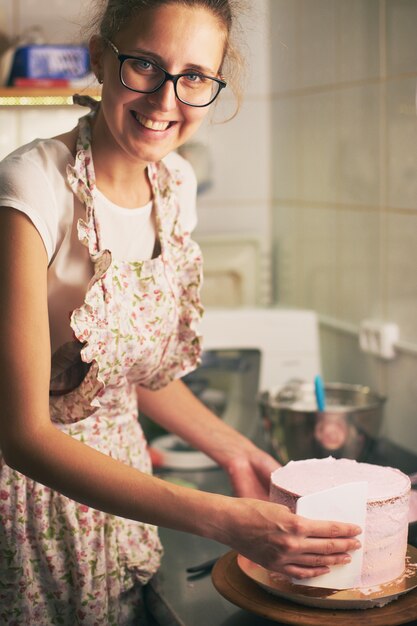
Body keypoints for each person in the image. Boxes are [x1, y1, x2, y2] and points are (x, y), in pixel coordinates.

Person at [0, 1, 362, 623]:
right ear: (100, 60)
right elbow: (24, 436)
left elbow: (127, 377)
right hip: (30, 509)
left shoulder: (175, 186)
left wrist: (235, 451)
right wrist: (220, 516)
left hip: (125, 499)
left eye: (194, 76)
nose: (166, 100)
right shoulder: (31, 189)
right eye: (144, 64)